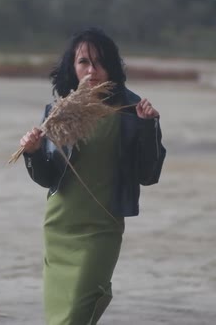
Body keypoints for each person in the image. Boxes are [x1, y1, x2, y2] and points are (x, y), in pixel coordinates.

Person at [18, 27, 166, 324]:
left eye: (100, 62)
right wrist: (32, 152)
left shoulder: (132, 111)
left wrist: (148, 127)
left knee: (76, 313)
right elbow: (48, 178)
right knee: (61, 317)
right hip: (60, 225)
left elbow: (149, 174)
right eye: (84, 61)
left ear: (112, 66)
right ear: (72, 68)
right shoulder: (59, 112)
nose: (92, 70)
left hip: (102, 229)